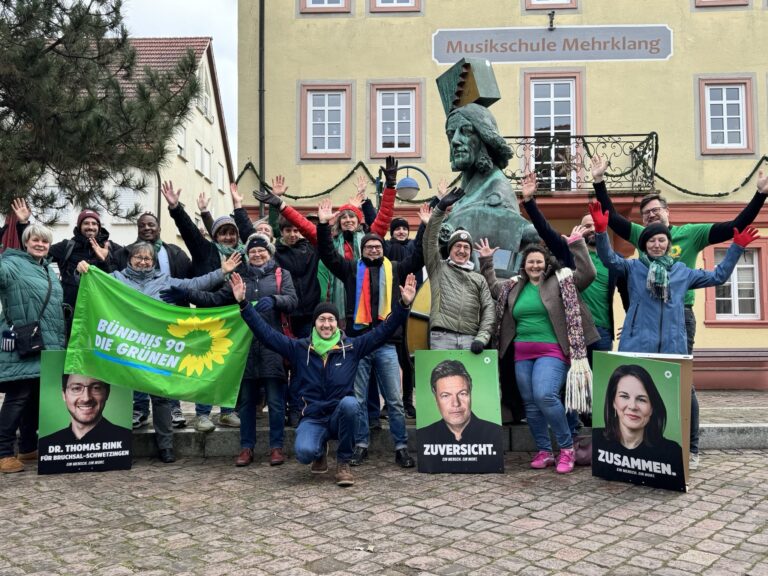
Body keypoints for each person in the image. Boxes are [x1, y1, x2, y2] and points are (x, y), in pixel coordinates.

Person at [591, 156, 768, 467]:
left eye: (656, 213)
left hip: (678, 321)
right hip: (641, 326)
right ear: (644, 238)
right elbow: (612, 231)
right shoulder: (636, 261)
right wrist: (599, 185)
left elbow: (724, 255)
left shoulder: (689, 247)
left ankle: (690, 447)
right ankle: (630, 453)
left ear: (668, 215)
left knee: (682, 386)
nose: (652, 223)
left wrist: (759, 197)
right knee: (634, 386)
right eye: (647, 217)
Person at [231, 271, 418, 487]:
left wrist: (403, 305)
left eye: (331, 320)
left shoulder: (352, 347)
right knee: (304, 453)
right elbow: (266, 334)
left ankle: (343, 463)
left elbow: (383, 332)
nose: (326, 324)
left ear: (337, 324)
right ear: (315, 324)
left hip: (341, 414)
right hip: (312, 417)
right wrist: (244, 304)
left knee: (351, 403)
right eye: (322, 320)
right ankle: (319, 449)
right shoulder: (300, 348)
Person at [76, 242, 241, 463]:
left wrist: (222, 271)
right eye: (138, 257)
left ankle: (166, 446)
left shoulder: (164, 281)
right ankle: (120, 447)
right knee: (122, 397)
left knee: (161, 398)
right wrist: (82, 272)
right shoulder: (115, 278)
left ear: (153, 261)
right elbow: (89, 285)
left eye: (148, 258)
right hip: (124, 348)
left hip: (157, 350)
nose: (143, 261)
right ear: (130, 259)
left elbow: (195, 283)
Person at [162, 233, 298, 467]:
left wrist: (276, 300)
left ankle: (276, 447)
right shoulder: (238, 277)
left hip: (272, 346)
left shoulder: (281, 275)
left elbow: (293, 301)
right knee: (245, 402)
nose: (256, 254)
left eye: (261, 250)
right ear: (247, 254)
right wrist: (187, 294)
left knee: (276, 402)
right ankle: (247, 448)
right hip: (243, 348)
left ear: (269, 252)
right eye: (252, 251)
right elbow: (215, 300)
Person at [477, 226, 599, 474]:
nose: (534, 265)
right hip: (522, 353)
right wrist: (487, 261)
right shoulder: (513, 286)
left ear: (546, 263)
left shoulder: (562, 281)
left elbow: (588, 274)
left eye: (539, 261)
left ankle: (566, 449)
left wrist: (577, 244)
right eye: (530, 261)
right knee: (531, 404)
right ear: (524, 265)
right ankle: (544, 451)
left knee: (545, 395)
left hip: (553, 351)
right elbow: (492, 287)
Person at [315, 199, 422, 469]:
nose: (373, 249)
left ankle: (401, 447)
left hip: (386, 343)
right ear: (363, 251)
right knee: (359, 399)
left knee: (395, 401)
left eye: (377, 246)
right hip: (359, 344)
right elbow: (328, 255)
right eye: (369, 247)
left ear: (383, 249)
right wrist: (324, 225)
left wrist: (426, 227)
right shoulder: (352, 270)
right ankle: (360, 445)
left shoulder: (395, 268)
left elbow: (419, 255)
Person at [159, 181, 242, 432]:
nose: (227, 237)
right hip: (207, 317)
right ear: (215, 235)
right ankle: (203, 414)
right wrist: (175, 208)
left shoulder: (244, 254)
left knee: (230, 365)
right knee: (204, 365)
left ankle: (227, 411)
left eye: (231, 233)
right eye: (222, 233)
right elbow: (189, 231)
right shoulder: (205, 250)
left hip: (235, 318)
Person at [115, 211, 193, 430]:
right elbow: (108, 280)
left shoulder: (175, 252)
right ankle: (139, 409)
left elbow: (192, 281)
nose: (147, 228)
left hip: (167, 322)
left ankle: (174, 408)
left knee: (166, 366)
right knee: (139, 366)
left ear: (159, 228)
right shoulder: (124, 252)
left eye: (151, 224)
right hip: (134, 325)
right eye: (142, 225)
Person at [0, 223, 66, 473]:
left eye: (45, 242)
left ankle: (27, 447)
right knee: (18, 397)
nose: (40, 244)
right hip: (21, 342)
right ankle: (3, 452)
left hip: (45, 343)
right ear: (25, 242)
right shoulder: (12, 263)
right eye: (35, 240)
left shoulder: (47, 268)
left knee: (34, 398)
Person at [12, 199, 120, 336]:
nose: (90, 227)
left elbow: (131, 268)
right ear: (80, 226)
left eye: (94, 223)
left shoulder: (111, 248)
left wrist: (105, 260)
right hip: (69, 312)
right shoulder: (67, 246)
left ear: (99, 227)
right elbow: (35, 252)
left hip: (100, 310)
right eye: (86, 223)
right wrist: (23, 224)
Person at [423, 188, 495, 352]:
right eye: (457, 246)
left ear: (470, 252)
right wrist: (440, 209)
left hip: (471, 339)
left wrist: (482, 338)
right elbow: (429, 240)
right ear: (450, 249)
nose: (462, 250)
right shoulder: (438, 267)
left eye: (466, 247)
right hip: (441, 337)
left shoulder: (479, 279)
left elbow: (488, 310)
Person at [592, 364, 685, 489]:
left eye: (641, 399)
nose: (632, 406)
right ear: (613, 402)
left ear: (652, 408)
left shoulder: (672, 453)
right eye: (624, 396)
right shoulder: (597, 439)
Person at [418, 359, 504, 474]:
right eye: (445, 396)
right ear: (436, 398)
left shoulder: (494, 433)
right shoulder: (425, 435)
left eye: (462, 394)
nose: (456, 403)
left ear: (470, 393)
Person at [41, 375, 131, 449]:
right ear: (64, 395)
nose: (86, 398)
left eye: (96, 388)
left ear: (107, 393)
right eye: (76, 388)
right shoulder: (46, 444)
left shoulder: (125, 439)